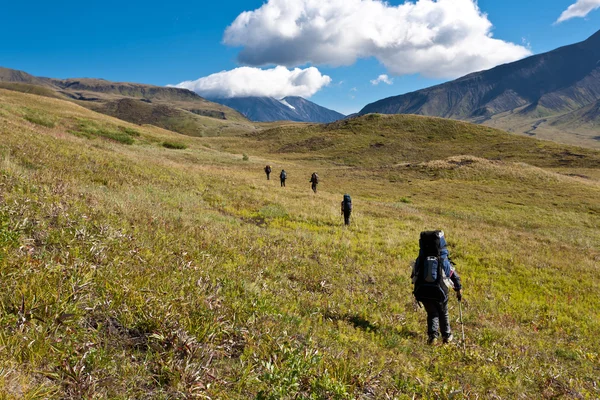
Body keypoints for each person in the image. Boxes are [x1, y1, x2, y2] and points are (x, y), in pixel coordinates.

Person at [411, 231, 462, 345]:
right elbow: (453, 275)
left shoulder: (421, 258)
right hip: (440, 291)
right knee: (443, 312)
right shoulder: (443, 259)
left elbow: (414, 274)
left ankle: (432, 336)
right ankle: (447, 336)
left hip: (422, 290)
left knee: (432, 313)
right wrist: (458, 289)